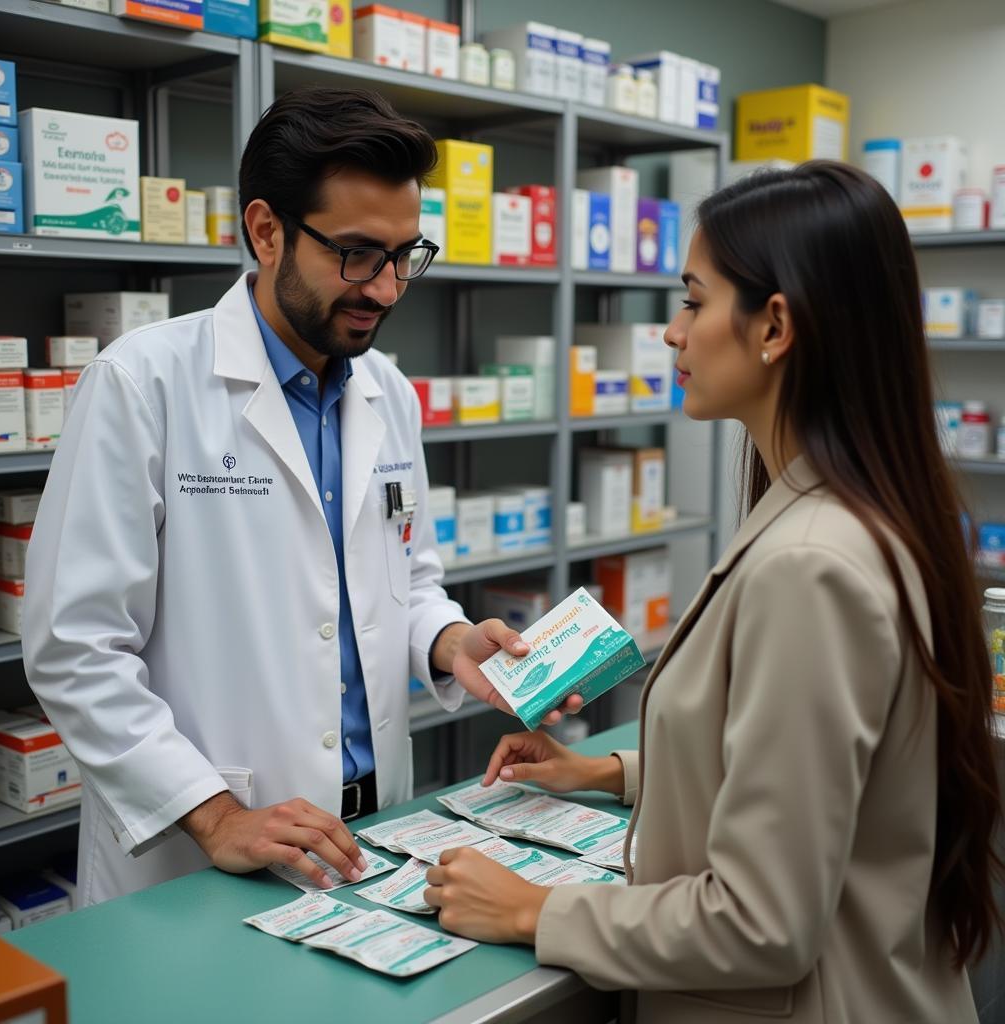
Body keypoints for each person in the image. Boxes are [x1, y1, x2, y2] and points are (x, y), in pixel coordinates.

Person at [424, 162, 1003, 1023]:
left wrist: (532, 908)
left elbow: (763, 923)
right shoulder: (856, 513)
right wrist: (609, 772)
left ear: (774, 326)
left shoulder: (812, 564)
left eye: (694, 301)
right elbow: (816, 782)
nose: (672, 333)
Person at [22, 87, 577, 907]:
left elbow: (407, 583)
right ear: (266, 230)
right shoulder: (144, 382)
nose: (386, 290)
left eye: (404, 256)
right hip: (202, 851)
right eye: (356, 254)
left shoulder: (388, 391)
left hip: (375, 836)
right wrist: (213, 815)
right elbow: (76, 646)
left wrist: (454, 642)